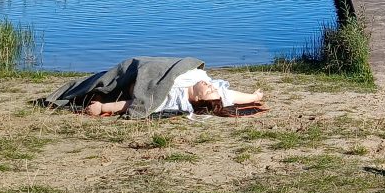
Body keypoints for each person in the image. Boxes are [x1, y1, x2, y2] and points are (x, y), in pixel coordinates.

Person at [39, 57, 265, 119]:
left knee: (117, 76)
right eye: (211, 86)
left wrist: (103, 108)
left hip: (142, 81)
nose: (210, 85)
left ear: (197, 99)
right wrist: (253, 96)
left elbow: (139, 104)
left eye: (207, 90)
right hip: (165, 66)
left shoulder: (173, 97)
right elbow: (232, 96)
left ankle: (94, 94)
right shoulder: (212, 90)